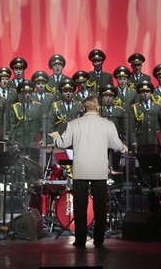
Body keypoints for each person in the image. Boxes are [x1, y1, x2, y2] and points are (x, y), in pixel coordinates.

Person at [49, 96, 128, 247]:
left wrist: (56, 136)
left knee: (80, 205)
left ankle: (80, 239)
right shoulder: (108, 124)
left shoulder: (74, 124)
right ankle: (99, 239)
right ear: (97, 107)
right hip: (99, 169)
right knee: (100, 206)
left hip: (81, 169)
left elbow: (62, 143)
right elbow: (117, 145)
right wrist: (123, 147)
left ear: (84, 108)